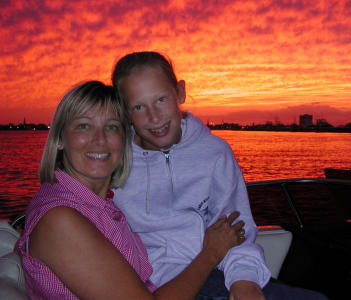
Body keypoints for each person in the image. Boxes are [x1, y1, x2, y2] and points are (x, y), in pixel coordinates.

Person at [111, 51, 329, 300]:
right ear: (126, 112)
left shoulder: (214, 153)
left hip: (217, 272)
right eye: (139, 107)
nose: (153, 116)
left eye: (161, 99)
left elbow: (237, 228)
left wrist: (244, 280)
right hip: (156, 285)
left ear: (179, 93)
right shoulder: (116, 159)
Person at [15, 80, 245, 300]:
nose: (100, 139)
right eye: (84, 126)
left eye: (112, 127)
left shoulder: (96, 204)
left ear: (124, 139)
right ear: (59, 139)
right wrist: (211, 253)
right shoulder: (60, 220)